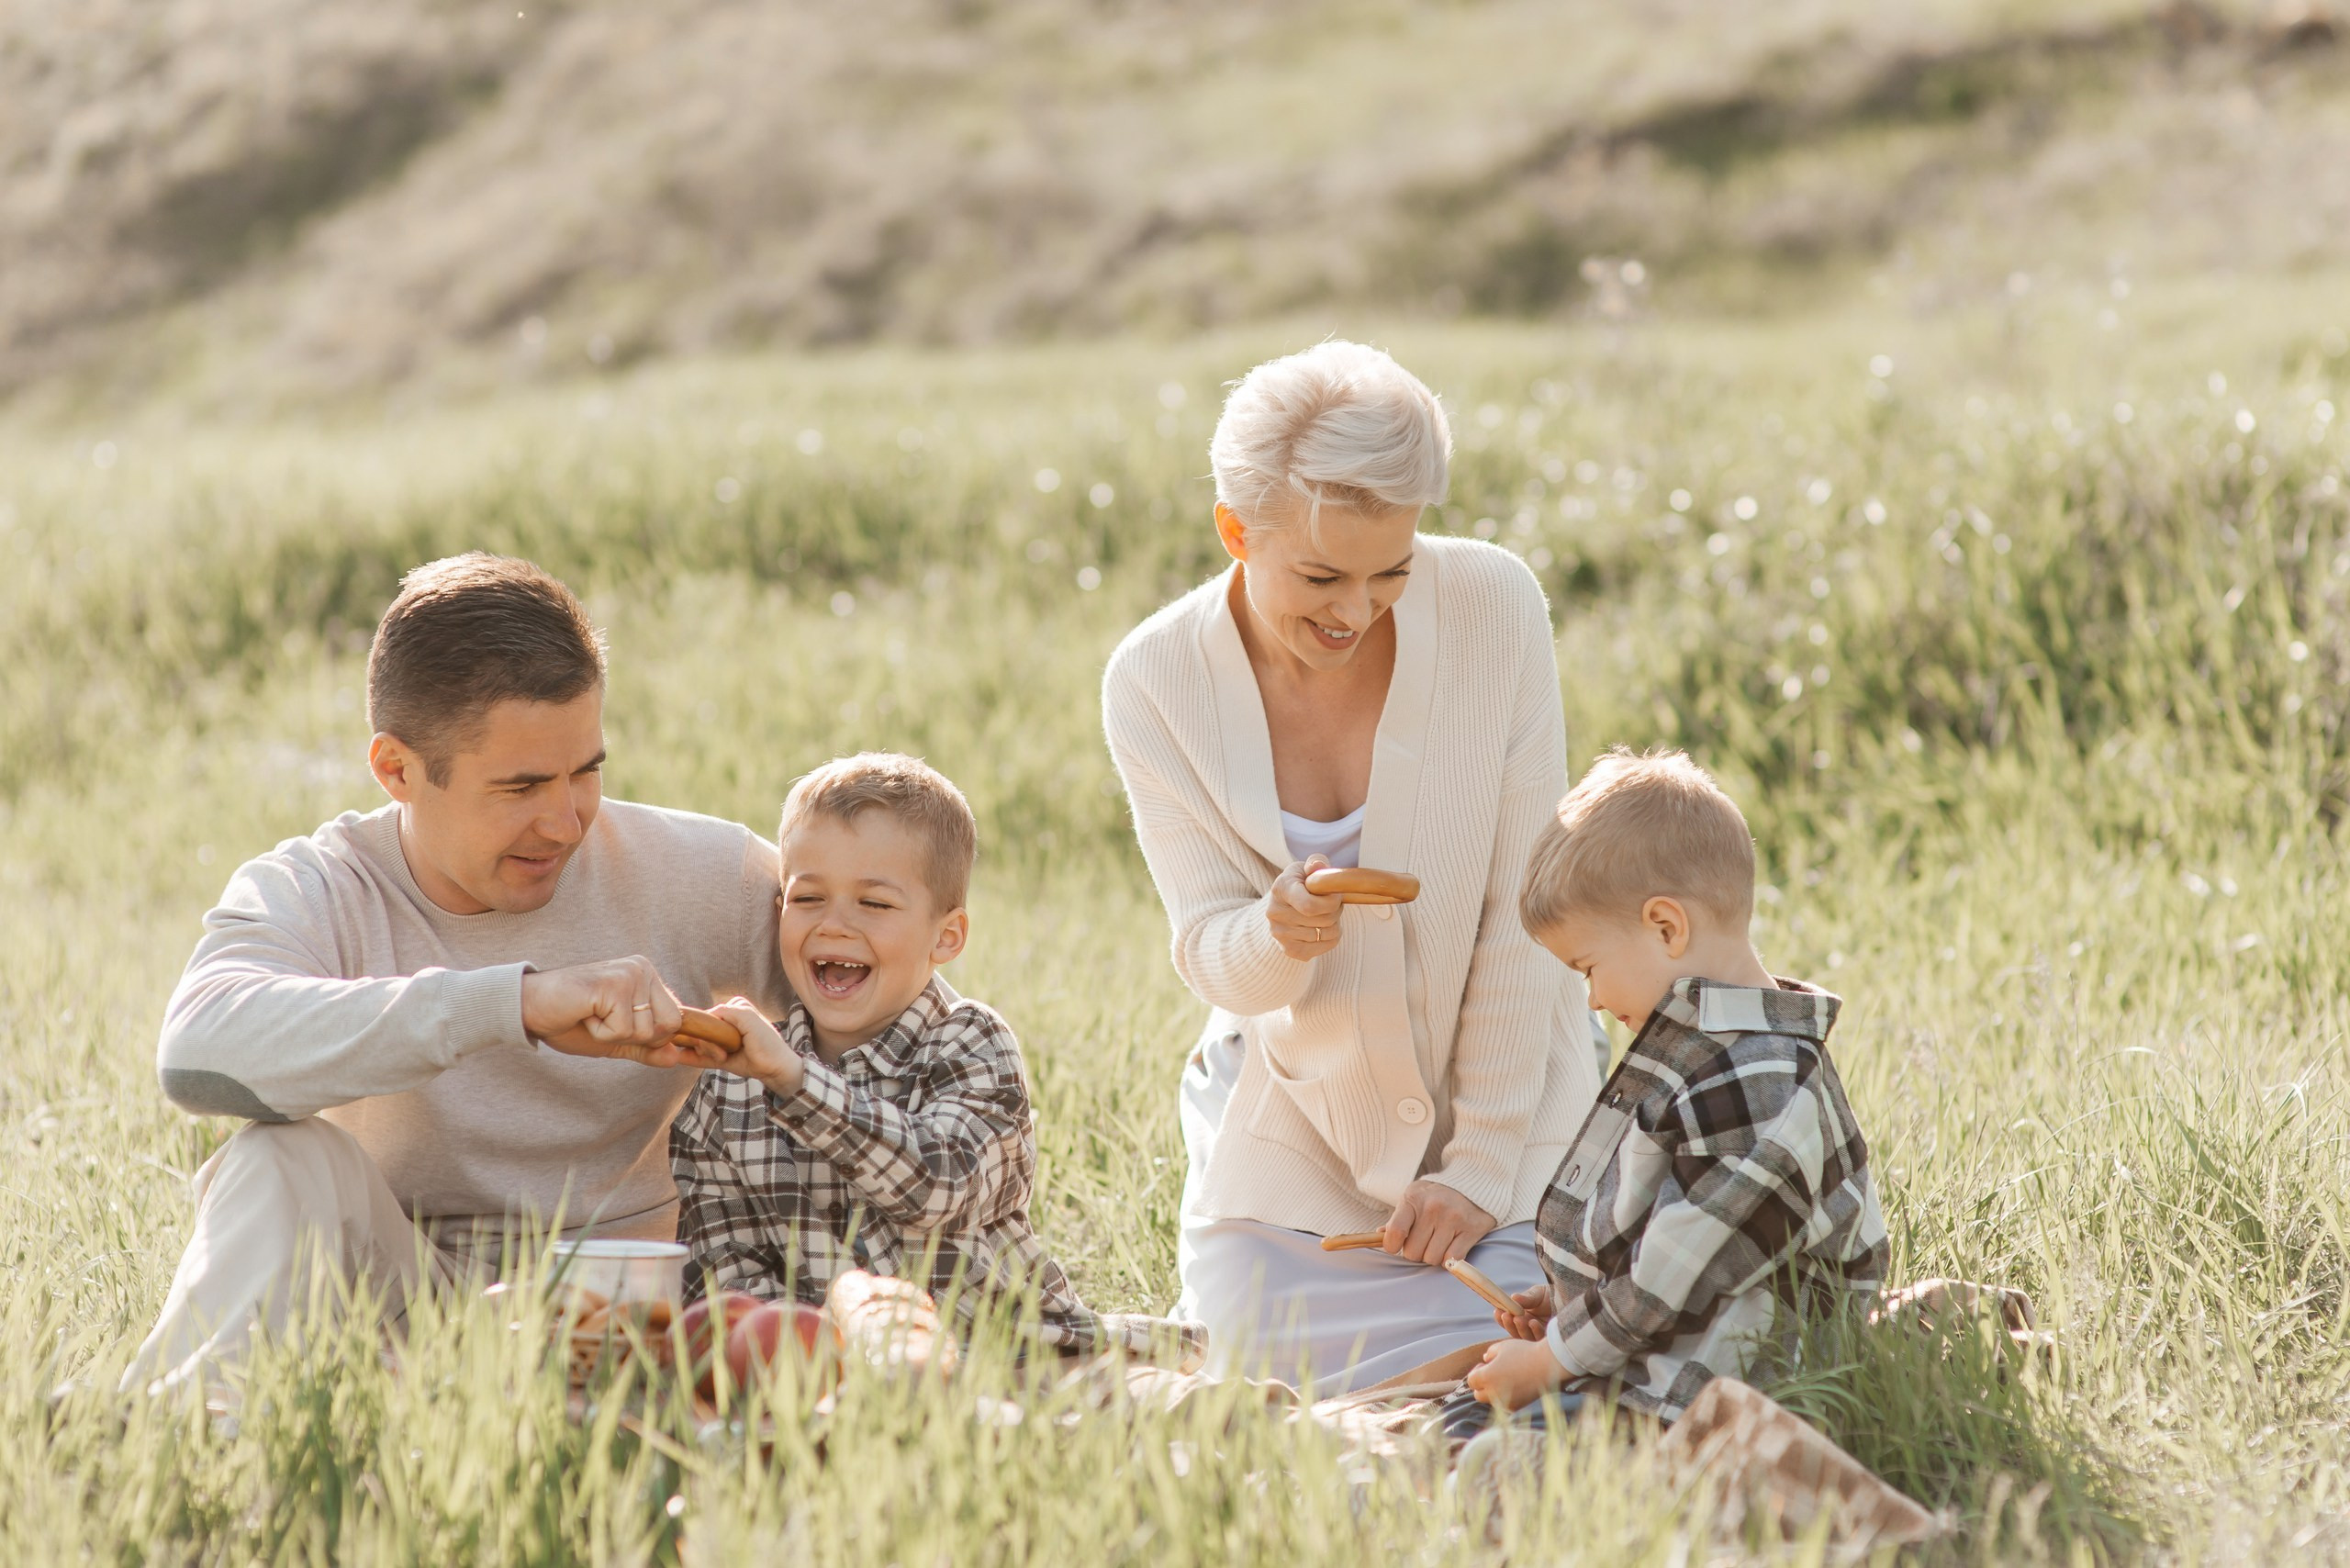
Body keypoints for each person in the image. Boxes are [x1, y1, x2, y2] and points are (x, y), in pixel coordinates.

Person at [125, 553, 793, 1394]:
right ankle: (180, 1426)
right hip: (407, 1308)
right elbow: (196, 1056)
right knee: (281, 1158)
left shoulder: (705, 871)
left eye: (586, 771)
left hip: (642, 1307)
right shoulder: (319, 886)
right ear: (397, 770)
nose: (566, 821)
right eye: (520, 788)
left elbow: (912, 1032)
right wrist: (511, 1004)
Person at [1102, 341, 1602, 1392]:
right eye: (1321, 576)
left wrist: (1478, 1167)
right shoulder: (1153, 681)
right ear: (1237, 532)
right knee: (1254, 1393)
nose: (1355, 610)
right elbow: (1210, 953)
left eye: (1392, 572)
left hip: (1511, 1122)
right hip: (1290, 1144)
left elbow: (1530, 913)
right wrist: (1274, 933)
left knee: (1536, 1372)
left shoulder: (1495, 607)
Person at [674, 753, 1197, 1361]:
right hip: (844, 1376)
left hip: (1024, 1357)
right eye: (809, 898)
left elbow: (937, 1186)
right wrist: (815, 1361)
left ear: (946, 936)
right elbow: (727, 1274)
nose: (835, 924)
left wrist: (795, 1082)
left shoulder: (971, 1044)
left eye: (874, 904)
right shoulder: (728, 1090)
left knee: (1161, 1401)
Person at [1465, 748, 1888, 1421]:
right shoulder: (1705, 1051)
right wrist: (1576, 1303)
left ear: (1666, 927)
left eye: (1588, 968)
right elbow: (1657, 1225)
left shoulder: (1762, 1080)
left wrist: (1557, 1359)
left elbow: (1678, 1269)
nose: (1593, 999)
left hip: (1718, 1398)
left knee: (1487, 1452)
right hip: (1666, 1364)